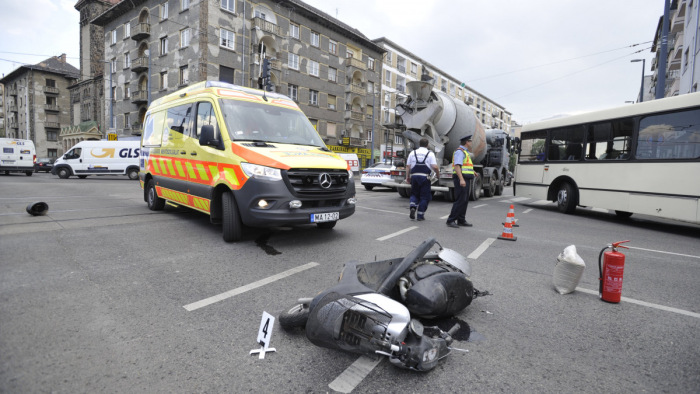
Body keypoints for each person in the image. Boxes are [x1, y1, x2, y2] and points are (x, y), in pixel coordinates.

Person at [405, 138, 439, 221]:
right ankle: (420, 215)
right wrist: (438, 174)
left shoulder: (413, 153)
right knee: (424, 197)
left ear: (419, 144)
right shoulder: (430, 153)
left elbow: (408, 166)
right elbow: (435, 167)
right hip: (425, 177)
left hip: (414, 176)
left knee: (414, 194)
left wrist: (407, 177)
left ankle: (413, 207)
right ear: (427, 145)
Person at [446, 134, 475, 228]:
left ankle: (461, 220)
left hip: (465, 178)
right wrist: (461, 179)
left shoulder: (465, 152)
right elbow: (457, 166)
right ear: (467, 142)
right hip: (461, 178)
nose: (471, 143)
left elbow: (464, 165)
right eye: (470, 141)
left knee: (464, 200)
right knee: (460, 200)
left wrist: (473, 171)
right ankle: (451, 220)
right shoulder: (460, 151)